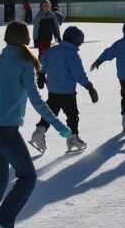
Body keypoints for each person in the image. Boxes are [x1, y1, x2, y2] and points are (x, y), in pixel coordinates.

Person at [0, 21, 71, 228]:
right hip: (6, 131)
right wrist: (59, 127)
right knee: (27, 177)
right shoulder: (24, 63)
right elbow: (36, 101)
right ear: (26, 39)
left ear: (6, 39)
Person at [30, 25, 98, 154]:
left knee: (50, 114)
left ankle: (39, 131)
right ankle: (73, 138)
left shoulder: (52, 50)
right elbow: (78, 73)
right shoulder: (72, 54)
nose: (80, 45)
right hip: (67, 93)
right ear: (73, 40)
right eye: (79, 41)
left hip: (53, 91)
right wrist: (89, 87)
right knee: (72, 116)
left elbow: (41, 63)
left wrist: (40, 75)